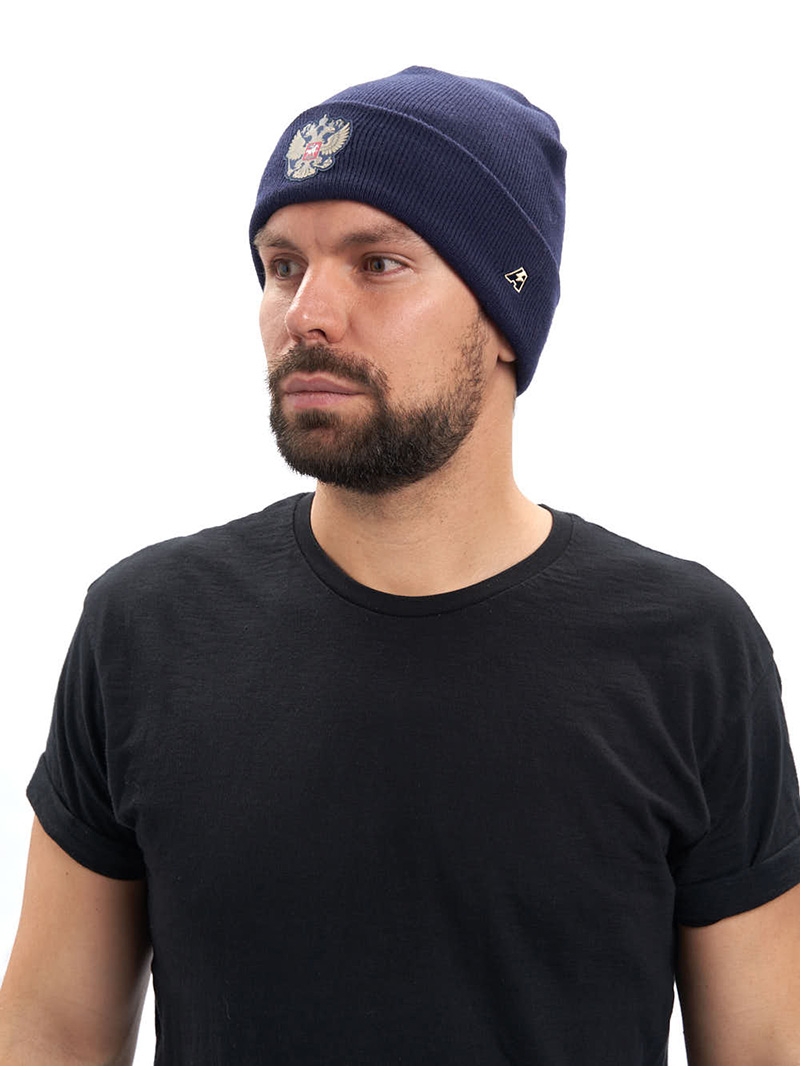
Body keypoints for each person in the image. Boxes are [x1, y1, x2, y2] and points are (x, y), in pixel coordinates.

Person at [1, 65, 799, 1066]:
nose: (306, 313)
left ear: (504, 315)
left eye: (377, 263)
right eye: (282, 265)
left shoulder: (685, 648)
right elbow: (52, 1035)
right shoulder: (146, 628)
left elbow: (764, 1046)